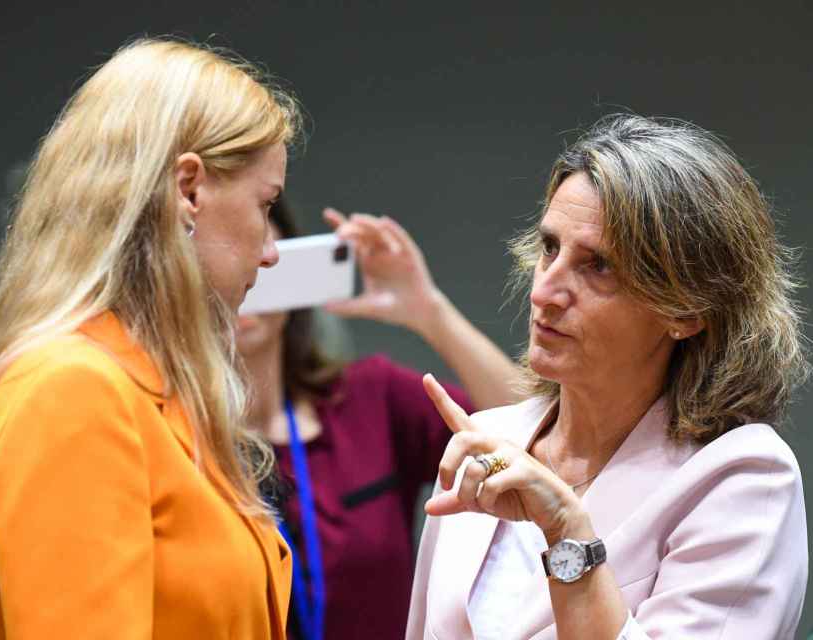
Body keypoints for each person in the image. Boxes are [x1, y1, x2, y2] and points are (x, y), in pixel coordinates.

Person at [406, 114, 809, 639]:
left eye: (599, 267)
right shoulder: (487, 440)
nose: (544, 293)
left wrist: (567, 532)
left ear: (686, 310)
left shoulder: (743, 477)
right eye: (550, 248)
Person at [0, 38, 301, 639]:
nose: (271, 251)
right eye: (264, 205)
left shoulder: (145, 391)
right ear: (188, 189)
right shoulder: (71, 393)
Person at [235, 197, 523, 640]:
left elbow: (528, 432)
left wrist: (428, 310)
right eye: (222, 253)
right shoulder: (165, 432)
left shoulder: (372, 399)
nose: (246, 274)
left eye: (259, 248)